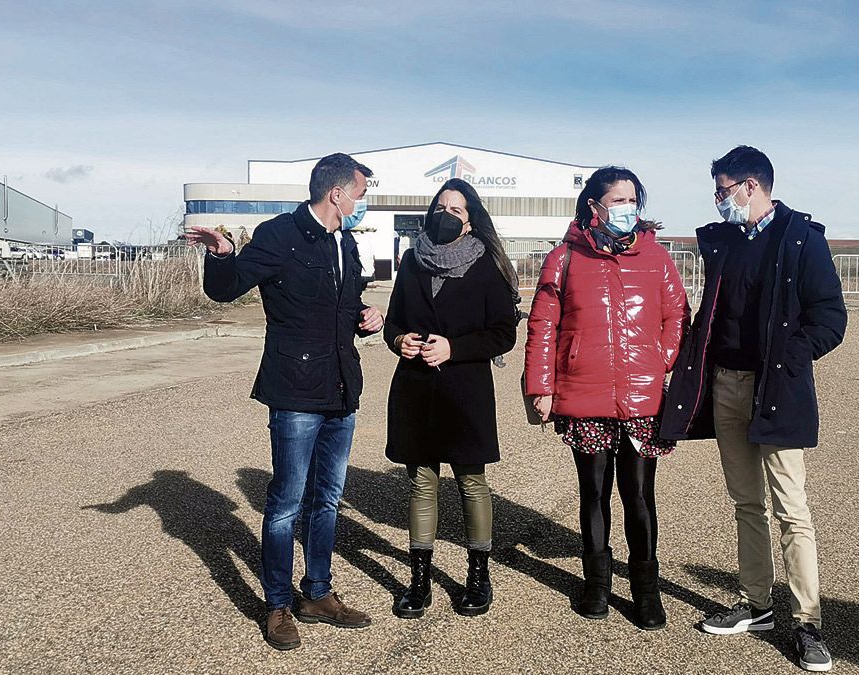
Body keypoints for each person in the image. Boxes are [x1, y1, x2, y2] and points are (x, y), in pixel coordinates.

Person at [183, 153, 385, 651]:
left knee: (328, 499)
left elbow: (344, 300)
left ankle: (317, 594)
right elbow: (225, 290)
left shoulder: (347, 243)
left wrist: (366, 315)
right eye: (361, 193)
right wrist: (223, 254)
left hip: (341, 388)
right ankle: (276, 604)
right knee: (286, 504)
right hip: (295, 389)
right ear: (336, 193)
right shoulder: (280, 234)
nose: (363, 203)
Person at [659, 146, 846, 672]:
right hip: (726, 386)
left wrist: (791, 355)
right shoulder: (722, 243)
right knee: (746, 503)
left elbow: (831, 317)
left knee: (792, 509)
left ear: (750, 186)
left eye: (722, 189)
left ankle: (807, 621)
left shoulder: (803, 240)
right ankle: (756, 604)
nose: (718, 200)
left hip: (777, 389)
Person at [523, 166, 689, 630]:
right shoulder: (564, 257)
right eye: (617, 200)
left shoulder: (656, 255)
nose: (627, 208)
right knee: (593, 492)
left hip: (642, 397)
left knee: (638, 494)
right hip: (584, 390)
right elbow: (542, 326)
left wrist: (662, 358)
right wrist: (541, 386)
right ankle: (595, 581)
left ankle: (646, 589)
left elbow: (678, 311)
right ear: (593, 205)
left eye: (632, 199)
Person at [383, 178, 519, 619]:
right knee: (422, 482)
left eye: (457, 210)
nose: (446, 215)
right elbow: (393, 322)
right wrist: (399, 338)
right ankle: (419, 581)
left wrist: (454, 348)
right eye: (440, 206)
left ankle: (478, 576)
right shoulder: (412, 260)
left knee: (470, 482)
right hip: (415, 389)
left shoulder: (487, 264)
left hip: (465, 390)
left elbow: (503, 333)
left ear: (471, 218)